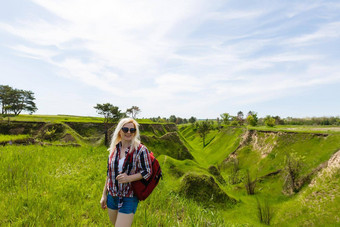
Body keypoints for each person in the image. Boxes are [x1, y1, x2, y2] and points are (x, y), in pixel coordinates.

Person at [100, 118, 152, 226]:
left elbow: (147, 171)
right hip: (112, 196)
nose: (129, 132)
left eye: (132, 130)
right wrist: (104, 195)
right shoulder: (114, 149)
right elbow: (108, 174)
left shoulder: (141, 150)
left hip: (129, 197)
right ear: (120, 130)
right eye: (125, 129)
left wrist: (129, 178)